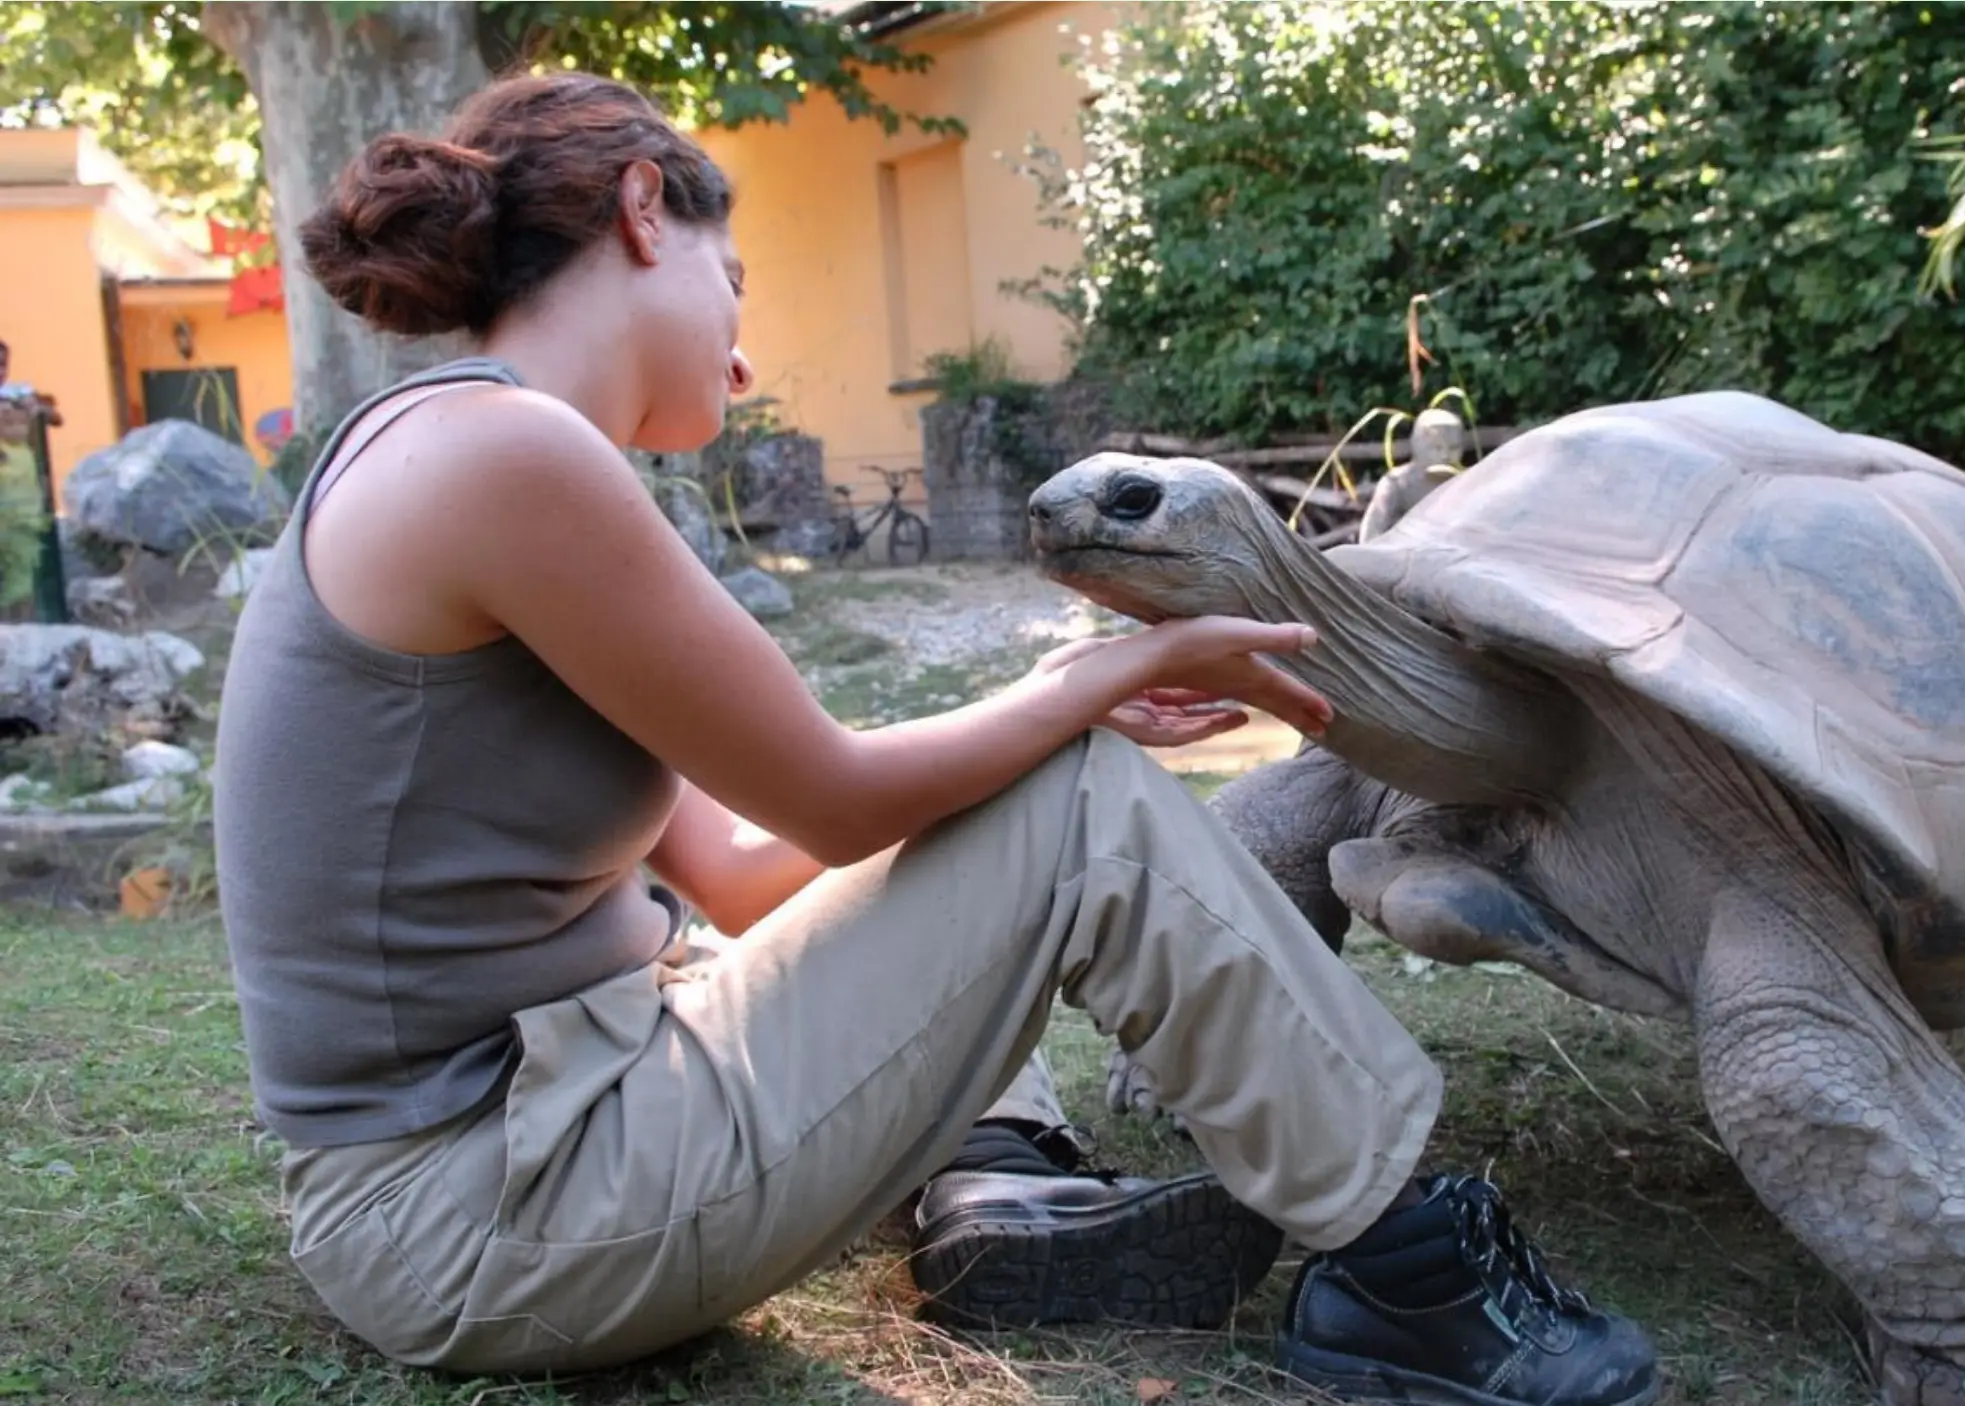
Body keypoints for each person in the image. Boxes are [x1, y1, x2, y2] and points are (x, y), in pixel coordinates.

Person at [211, 71, 1657, 1406]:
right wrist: (1097, 683)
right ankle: (1410, 1271)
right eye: (733, 280)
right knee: (1078, 803)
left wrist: (1058, 697)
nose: (742, 356)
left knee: (1029, 793)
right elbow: (839, 803)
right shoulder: (510, 456)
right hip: (483, 1214)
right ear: (645, 210)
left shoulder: (474, 449)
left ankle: (1000, 1180)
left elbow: (748, 872)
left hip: (539, 1145)